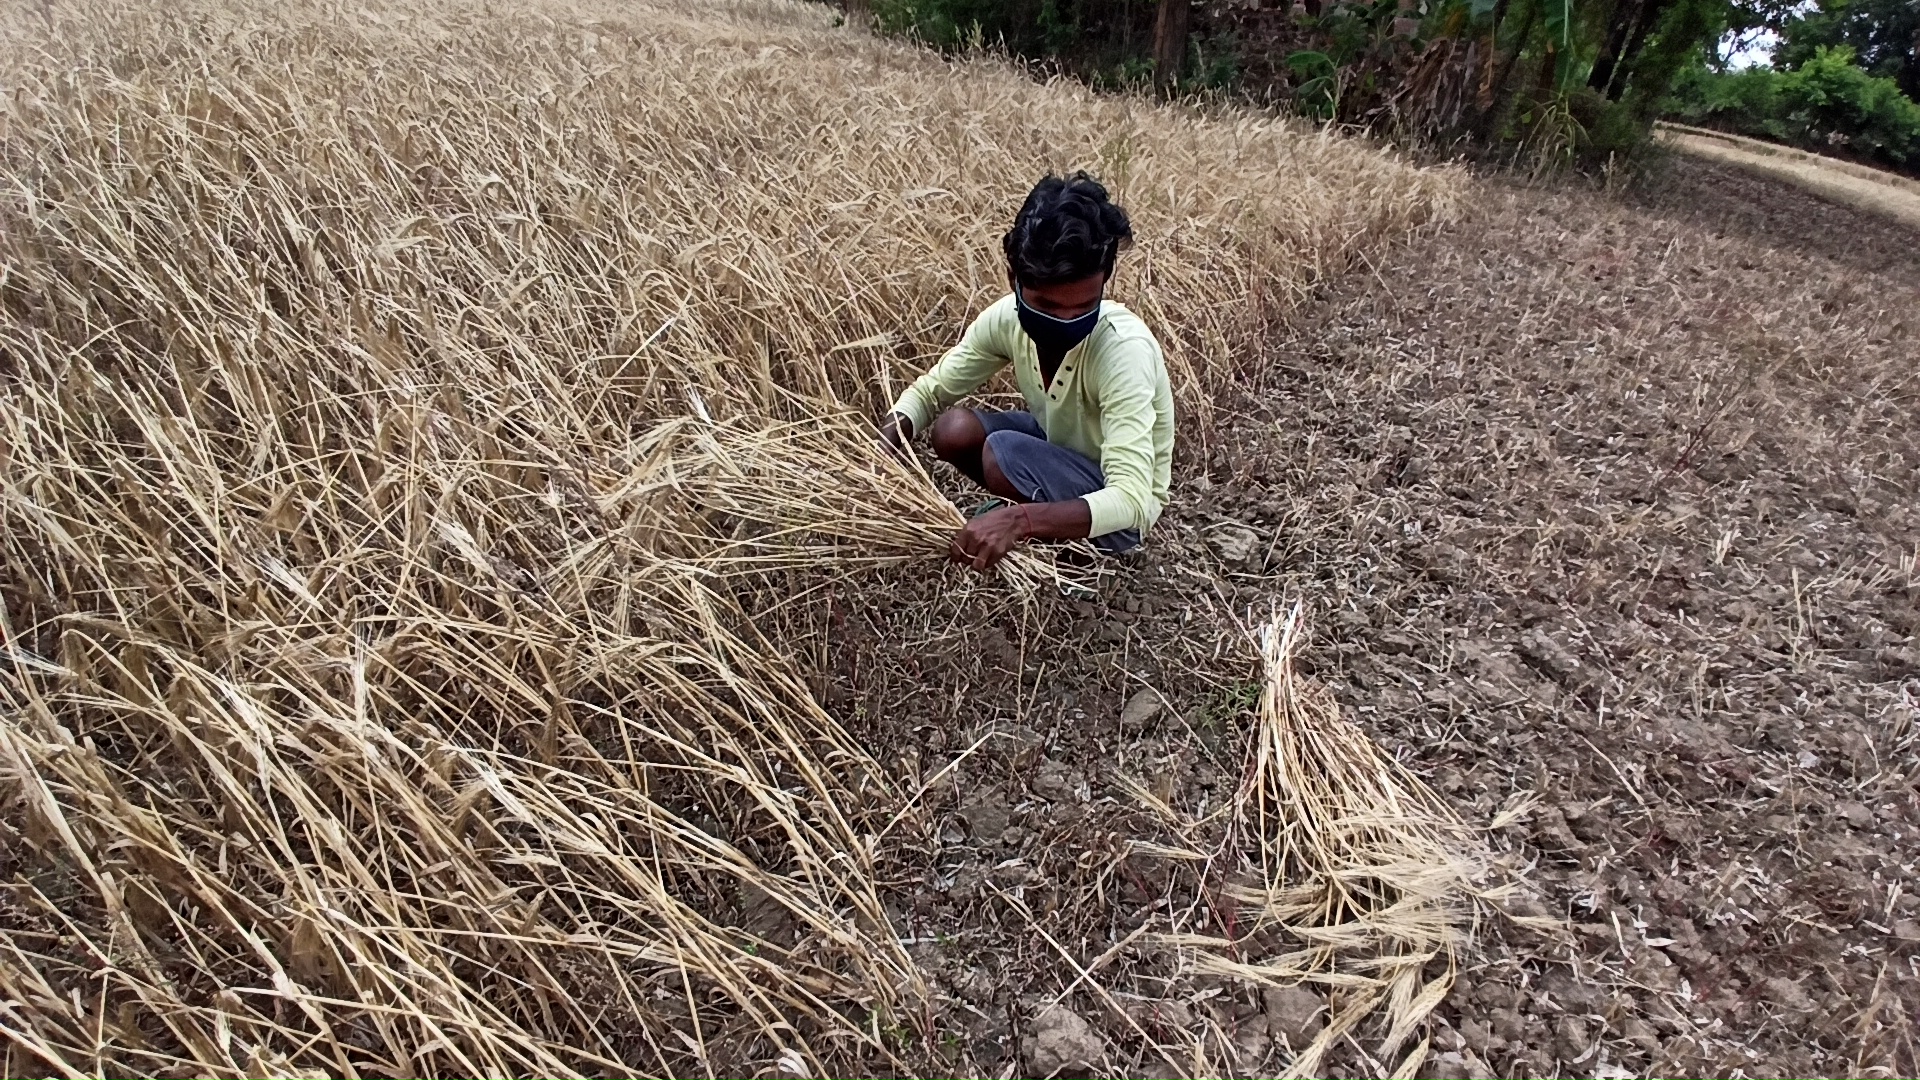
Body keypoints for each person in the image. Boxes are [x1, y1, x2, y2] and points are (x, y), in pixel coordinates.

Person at [880, 172, 1175, 573]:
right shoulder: (1006, 320)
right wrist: (884, 443)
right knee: (954, 430)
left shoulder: (1123, 350)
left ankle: (1068, 542)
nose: (1068, 321)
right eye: (1049, 307)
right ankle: (1042, 516)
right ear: (1014, 281)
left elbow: (1133, 500)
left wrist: (1020, 521)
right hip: (1061, 449)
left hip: (1118, 517)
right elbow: (933, 392)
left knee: (1004, 456)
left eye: (1084, 307)